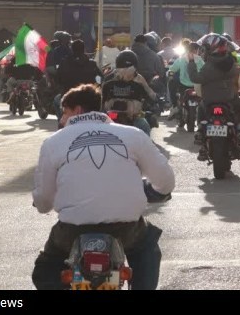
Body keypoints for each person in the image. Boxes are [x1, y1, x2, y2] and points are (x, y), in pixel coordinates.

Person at [31, 84, 175, 290]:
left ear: (78, 110)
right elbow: (166, 180)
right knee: (146, 250)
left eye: (64, 112)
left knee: (46, 270)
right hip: (126, 229)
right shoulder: (133, 135)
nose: (62, 119)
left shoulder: (53, 142)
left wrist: (41, 203)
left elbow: (44, 200)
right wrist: (156, 192)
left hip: (72, 231)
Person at [187, 33, 240, 162]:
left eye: (205, 49)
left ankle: (200, 131)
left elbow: (195, 79)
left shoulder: (208, 66)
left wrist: (191, 62)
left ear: (212, 49)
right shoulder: (233, 64)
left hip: (209, 101)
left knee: (201, 108)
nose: (203, 52)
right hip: (229, 100)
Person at [101, 50, 157, 136]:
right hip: (133, 117)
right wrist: (155, 100)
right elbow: (150, 94)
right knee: (145, 127)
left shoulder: (108, 78)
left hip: (112, 115)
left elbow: (102, 97)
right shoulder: (139, 79)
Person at [55, 40, 103, 124]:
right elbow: (100, 79)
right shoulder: (91, 64)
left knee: (56, 102)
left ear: (72, 49)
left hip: (69, 98)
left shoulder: (64, 62)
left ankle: (61, 123)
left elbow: (58, 79)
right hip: (88, 99)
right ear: (83, 49)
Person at [166, 40, 202, 119]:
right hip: (197, 85)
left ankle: (175, 105)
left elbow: (172, 69)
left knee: (171, 82)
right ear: (197, 50)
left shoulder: (181, 59)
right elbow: (205, 71)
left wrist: (170, 73)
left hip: (183, 85)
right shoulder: (200, 60)